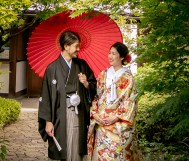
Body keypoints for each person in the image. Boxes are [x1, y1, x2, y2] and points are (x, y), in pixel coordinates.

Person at [39, 31, 98, 161]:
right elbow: (46, 96)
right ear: (66, 46)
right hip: (59, 115)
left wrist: (87, 84)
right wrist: (48, 122)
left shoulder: (82, 65)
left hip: (78, 113)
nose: (78, 49)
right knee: (62, 148)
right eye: (76, 46)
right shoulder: (52, 68)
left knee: (76, 147)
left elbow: (95, 85)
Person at [87, 42, 141, 161]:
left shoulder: (127, 76)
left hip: (118, 124)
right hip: (101, 122)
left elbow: (130, 101)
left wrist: (116, 116)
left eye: (114, 53)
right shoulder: (103, 74)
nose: (110, 56)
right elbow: (96, 97)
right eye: (109, 53)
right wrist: (95, 114)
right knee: (101, 155)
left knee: (118, 156)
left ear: (122, 57)